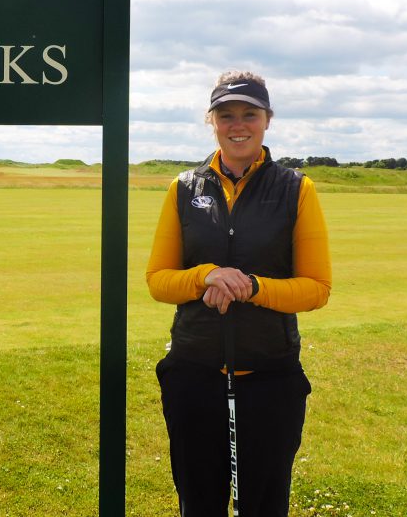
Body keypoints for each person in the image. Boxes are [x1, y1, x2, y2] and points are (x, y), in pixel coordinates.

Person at [146, 70, 332, 516]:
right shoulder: (184, 188)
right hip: (193, 375)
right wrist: (205, 276)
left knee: (264, 506)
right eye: (226, 114)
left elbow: (316, 288)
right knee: (199, 504)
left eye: (250, 113)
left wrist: (251, 287)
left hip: (269, 379)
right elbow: (158, 279)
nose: (238, 124)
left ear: (268, 119)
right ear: (211, 121)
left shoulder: (296, 188)